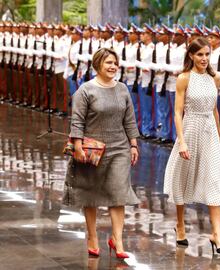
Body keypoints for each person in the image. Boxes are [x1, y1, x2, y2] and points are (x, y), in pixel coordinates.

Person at [63, 47, 140, 259]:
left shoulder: (123, 89)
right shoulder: (85, 91)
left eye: (115, 63)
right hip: (92, 150)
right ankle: (92, 237)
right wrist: (77, 146)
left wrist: (133, 144)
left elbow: (129, 119)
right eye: (108, 63)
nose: (113, 66)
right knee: (91, 193)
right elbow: (77, 120)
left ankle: (118, 241)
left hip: (119, 149)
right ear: (97, 65)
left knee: (118, 194)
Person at [163, 37, 220, 254]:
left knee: (213, 179)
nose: (204, 58)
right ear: (191, 55)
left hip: (210, 131)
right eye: (200, 54)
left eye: (207, 54)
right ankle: (180, 225)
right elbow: (177, 112)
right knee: (182, 178)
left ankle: (216, 234)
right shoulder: (183, 78)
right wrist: (181, 141)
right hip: (190, 129)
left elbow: (215, 110)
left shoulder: (215, 78)